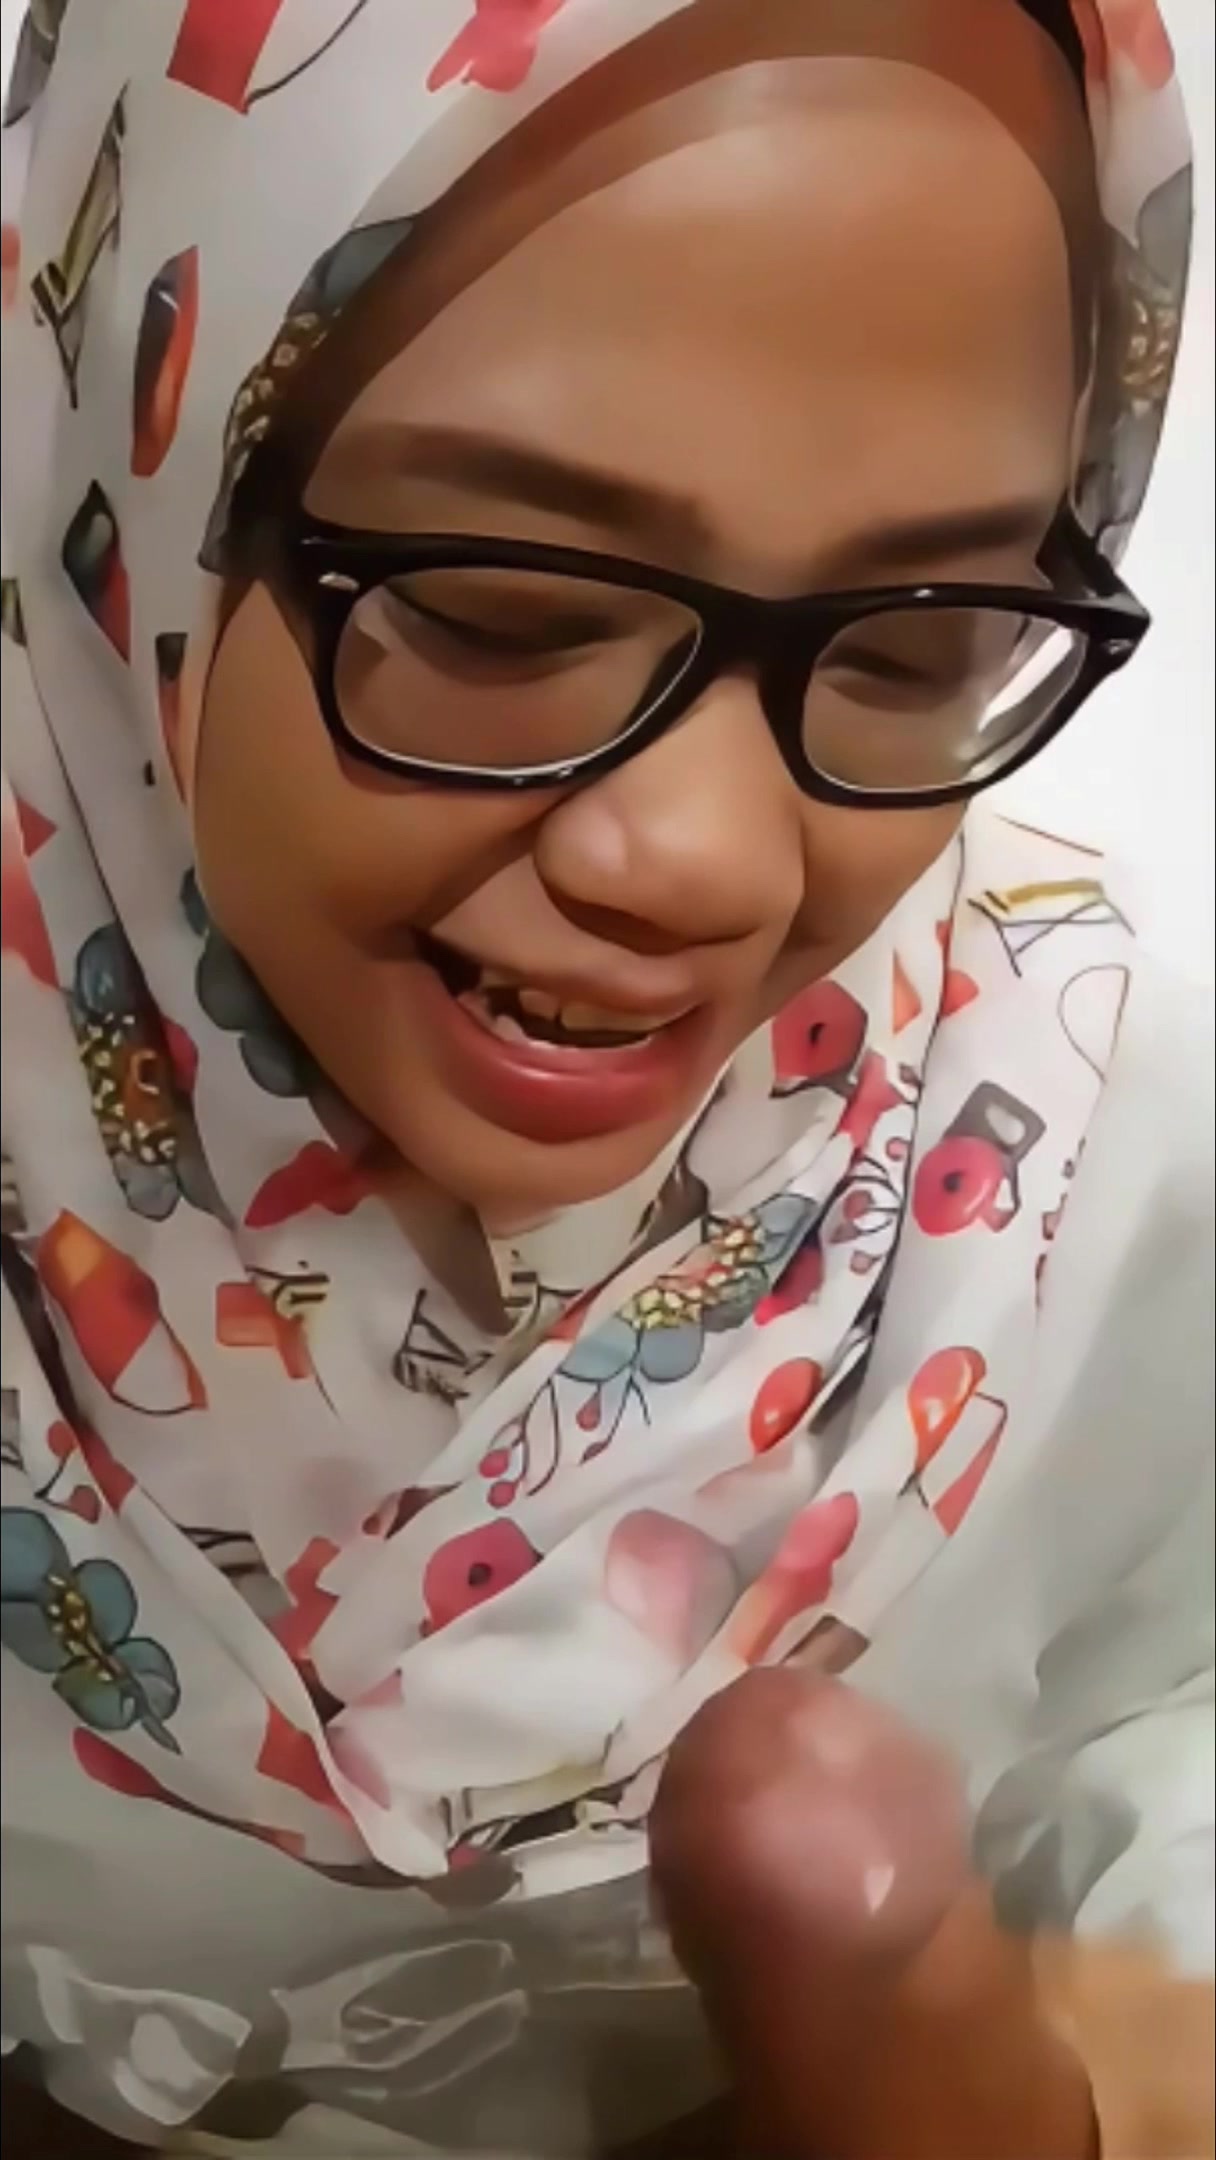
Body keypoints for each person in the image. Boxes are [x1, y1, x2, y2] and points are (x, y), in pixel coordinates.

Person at [1, 1, 1211, 2154]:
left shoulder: (1093, 1151)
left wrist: (1009, 2080)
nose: (713, 864)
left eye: (919, 639)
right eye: (491, 607)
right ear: (135, 459)